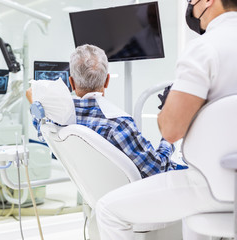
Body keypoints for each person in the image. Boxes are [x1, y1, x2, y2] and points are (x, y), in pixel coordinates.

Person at [95, 0, 237, 239]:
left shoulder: (204, 48)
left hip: (210, 186)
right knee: (193, 223)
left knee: (108, 210)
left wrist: (171, 105)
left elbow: (171, 131)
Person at [26, 44, 185, 179]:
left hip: (90, 191)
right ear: (107, 80)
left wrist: (37, 101)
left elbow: (38, 119)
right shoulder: (119, 124)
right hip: (127, 200)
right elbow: (158, 169)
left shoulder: (54, 118)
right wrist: (169, 133)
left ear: (72, 83)